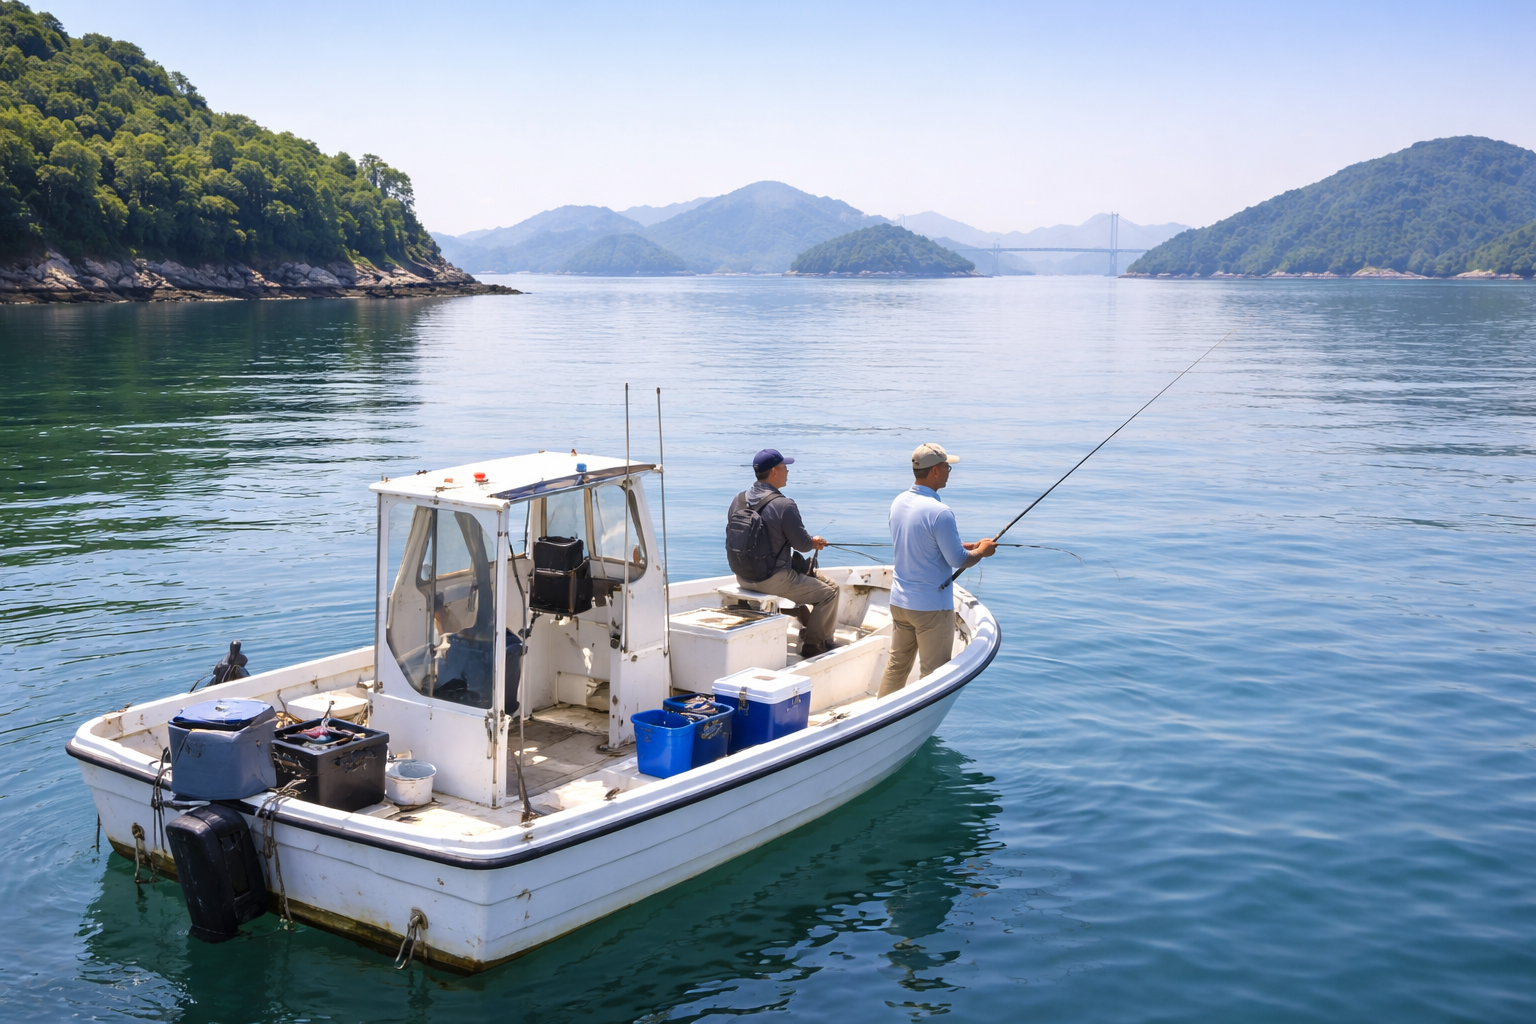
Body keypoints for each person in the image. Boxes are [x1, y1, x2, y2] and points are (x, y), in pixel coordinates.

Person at [878, 443, 997, 697]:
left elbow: (921, 541)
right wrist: (982, 551)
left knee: (896, 666)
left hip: (900, 603)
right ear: (935, 471)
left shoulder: (899, 502)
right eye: (947, 467)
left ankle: (880, 712)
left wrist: (966, 544)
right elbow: (959, 559)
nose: (949, 471)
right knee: (933, 675)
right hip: (930, 608)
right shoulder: (940, 512)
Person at [725, 448, 841, 657]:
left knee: (821, 582)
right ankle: (815, 643)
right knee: (830, 594)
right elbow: (803, 545)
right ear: (774, 472)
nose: (788, 471)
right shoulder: (784, 505)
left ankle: (800, 615)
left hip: (743, 575)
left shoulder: (738, 500)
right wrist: (813, 542)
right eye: (784, 467)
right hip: (771, 578)